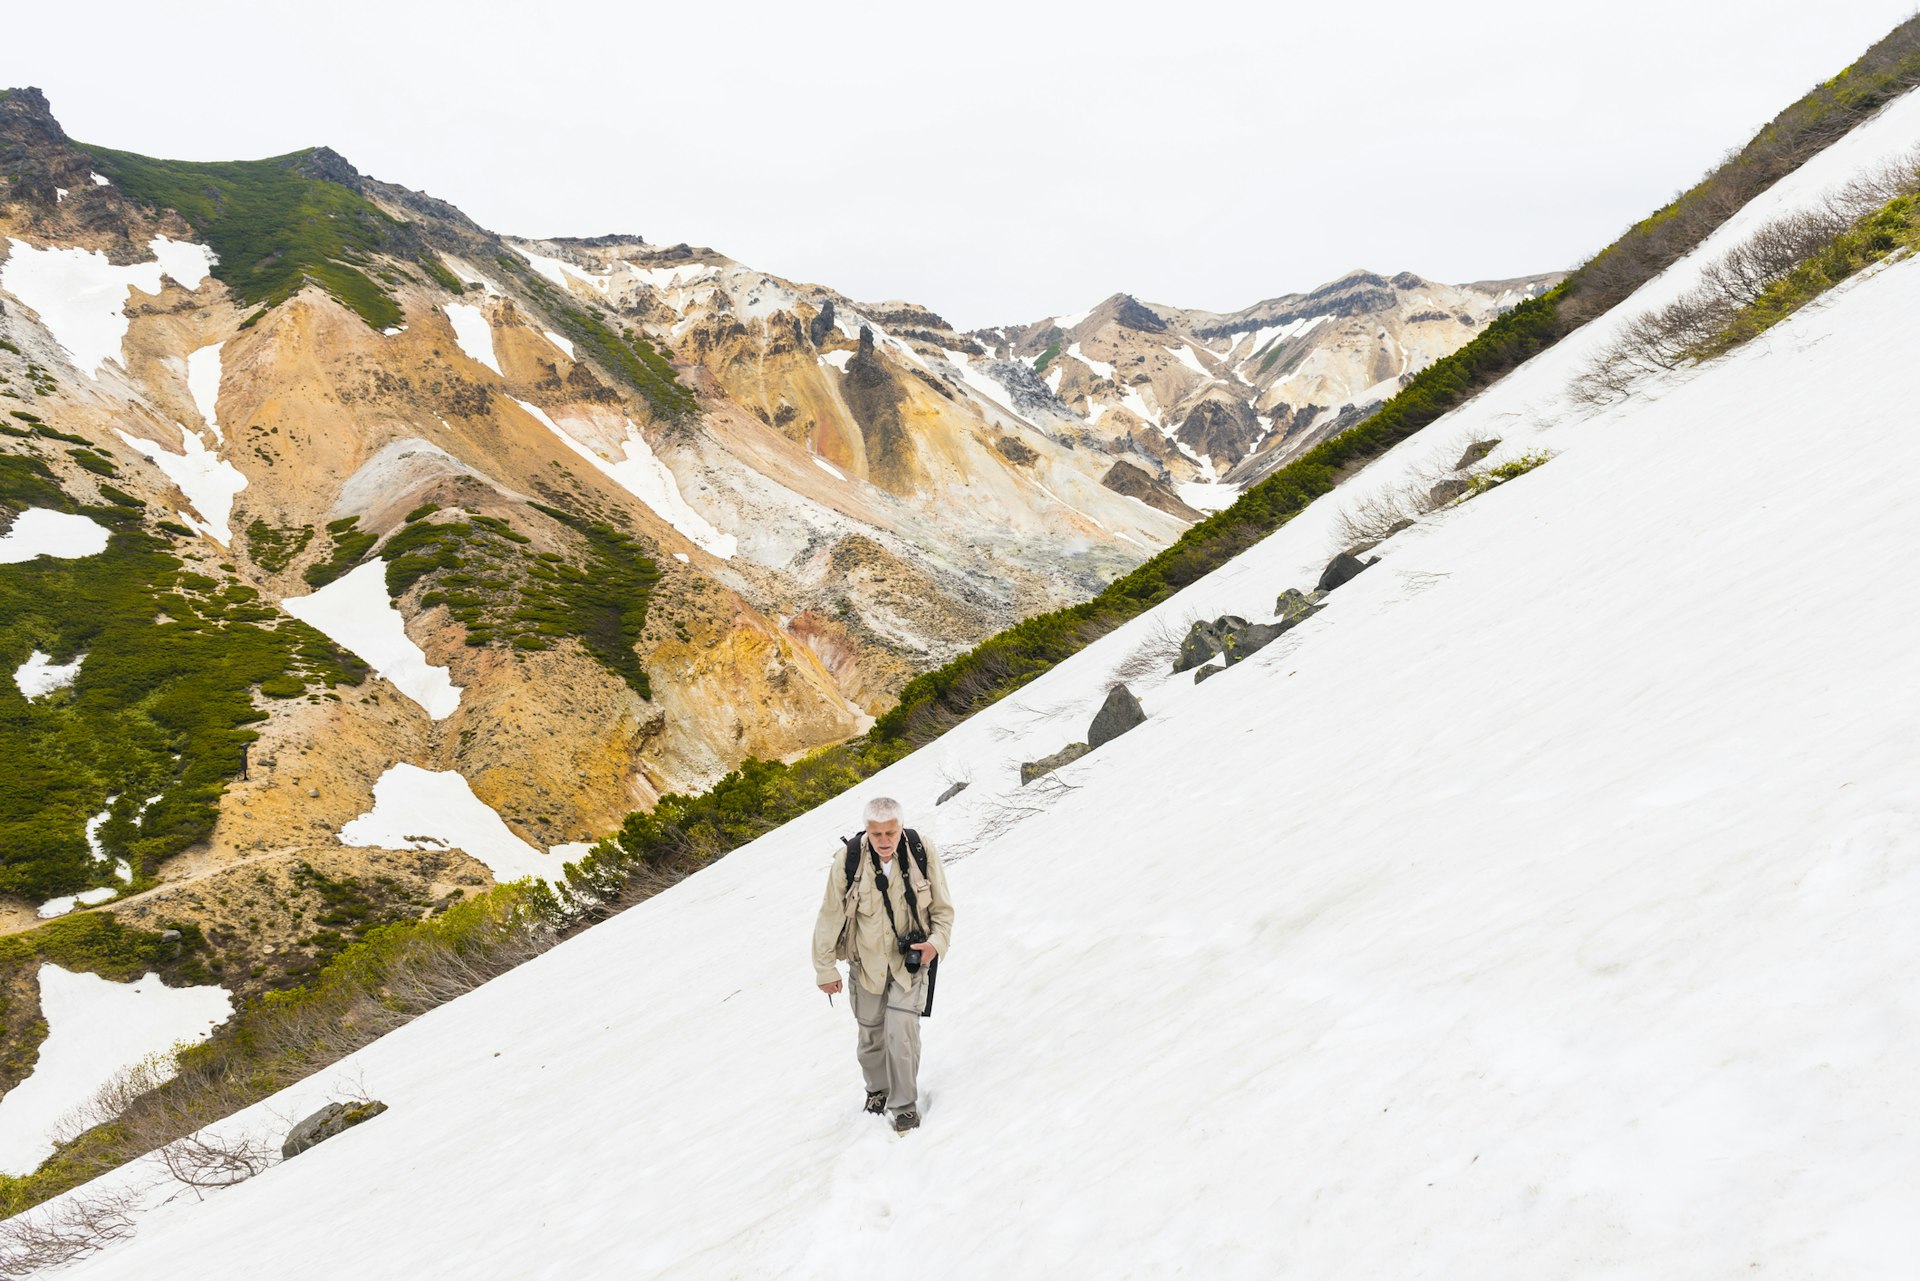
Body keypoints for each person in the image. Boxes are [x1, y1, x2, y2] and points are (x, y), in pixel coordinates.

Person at [811, 796, 955, 1133]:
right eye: (877, 835)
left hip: (910, 966)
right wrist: (825, 968)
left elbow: (944, 911)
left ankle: (905, 1107)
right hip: (866, 967)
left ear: (900, 828)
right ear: (867, 831)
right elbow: (829, 916)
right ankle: (878, 1091)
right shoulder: (848, 861)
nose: (885, 841)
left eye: (891, 833)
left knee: (901, 1031)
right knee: (872, 1037)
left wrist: (935, 944)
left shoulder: (921, 851)